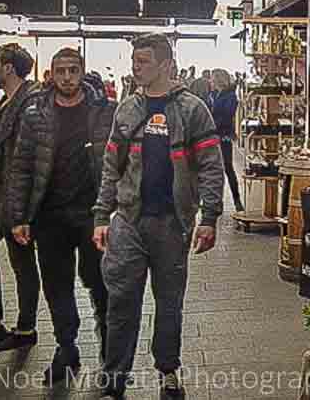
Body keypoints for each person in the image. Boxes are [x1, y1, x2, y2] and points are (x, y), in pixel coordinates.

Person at [93, 33, 225, 400]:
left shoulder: (192, 109)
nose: (136, 67)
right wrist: (102, 215)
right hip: (129, 221)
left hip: (172, 224)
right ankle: (114, 378)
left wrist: (210, 217)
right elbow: (110, 167)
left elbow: (211, 166)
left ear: (166, 65)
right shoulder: (128, 109)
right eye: (135, 61)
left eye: (144, 61)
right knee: (121, 301)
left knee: (169, 303)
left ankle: (168, 372)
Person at [8, 48, 114, 385]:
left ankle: (110, 355)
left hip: (92, 215)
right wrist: (18, 216)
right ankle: (66, 347)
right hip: (50, 216)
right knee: (57, 286)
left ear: (82, 71)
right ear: (50, 74)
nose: (66, 77)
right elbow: (22, 166)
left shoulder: (102, 111)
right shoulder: (36, 113)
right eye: (60, 71)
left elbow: (118, 163)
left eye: (72, 70)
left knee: (101, 284)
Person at [0, 44, 41, 354]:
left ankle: (24, 329)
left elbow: (30, 155)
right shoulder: (6, 103)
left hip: (16, 199)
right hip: (1, 196)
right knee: (21, 263)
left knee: (24, 264)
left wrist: (24, 206)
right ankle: (5, 325)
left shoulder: (29, 102)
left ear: (8, 67)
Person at [210, 69, 243, 213]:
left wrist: (213, 125)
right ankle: (216, 202)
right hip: (214, 136)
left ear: (218, 80)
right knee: (215, 170)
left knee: (228, 168)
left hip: (222, 136)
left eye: (212, 79)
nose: (210, 82)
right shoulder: (215, 95)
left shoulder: (230, 96)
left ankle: (237, 200)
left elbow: (227, 115)